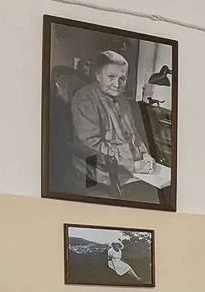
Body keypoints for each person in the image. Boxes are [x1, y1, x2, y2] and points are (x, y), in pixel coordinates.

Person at [68, 50, 161, 202]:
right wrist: (132, 165)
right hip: (98, 173)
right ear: (98, 75)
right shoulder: (85, 99)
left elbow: (134, 135)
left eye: (122, 78)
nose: (117, 84)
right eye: (111, 76)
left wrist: (146, 155)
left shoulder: (123, 101)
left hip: (135, 171)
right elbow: (90, 144)